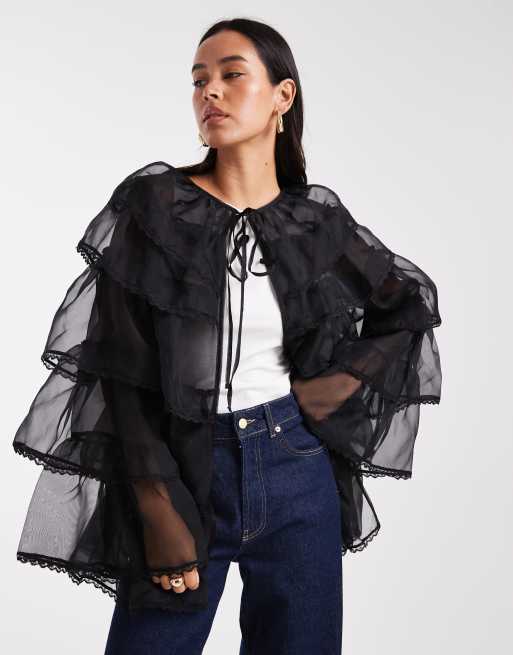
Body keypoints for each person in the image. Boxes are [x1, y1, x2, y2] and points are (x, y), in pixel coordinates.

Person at [12, 17, 442, 655]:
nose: (209, 91)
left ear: (282, 97)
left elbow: (408, 306)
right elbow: (117, 367)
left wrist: (328, 390)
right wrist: (157, 502)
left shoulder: (313, 221)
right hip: (185, 468)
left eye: (232, 75)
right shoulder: (157, 205)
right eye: (198, 81)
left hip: (298, 472)